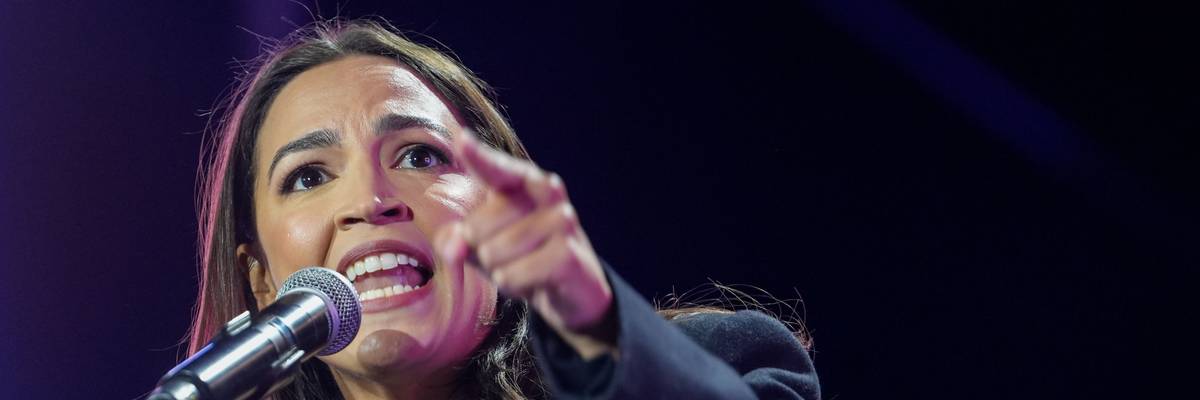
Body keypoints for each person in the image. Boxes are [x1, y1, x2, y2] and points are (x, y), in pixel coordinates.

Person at [186, 18, 820, 400]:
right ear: (262, 281)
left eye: (419, 157)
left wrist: (592, 321)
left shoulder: (716, 362)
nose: (369, 201)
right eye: (308, 176)